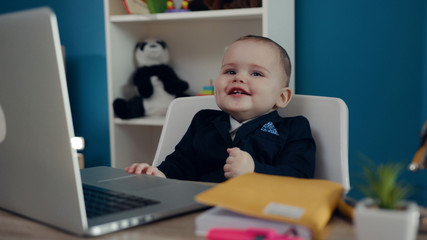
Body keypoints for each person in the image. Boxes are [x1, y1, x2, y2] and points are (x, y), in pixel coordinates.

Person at [125, 35, 315, 182]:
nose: (238, 78)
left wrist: (254, 171)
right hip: (198, 209)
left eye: (256, 73)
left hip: (259, 216)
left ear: (282, 97)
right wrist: (158, 174)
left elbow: (300, 177)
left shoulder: (293, 129)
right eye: (230, 71)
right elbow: (181, 164)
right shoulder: (203, 121)